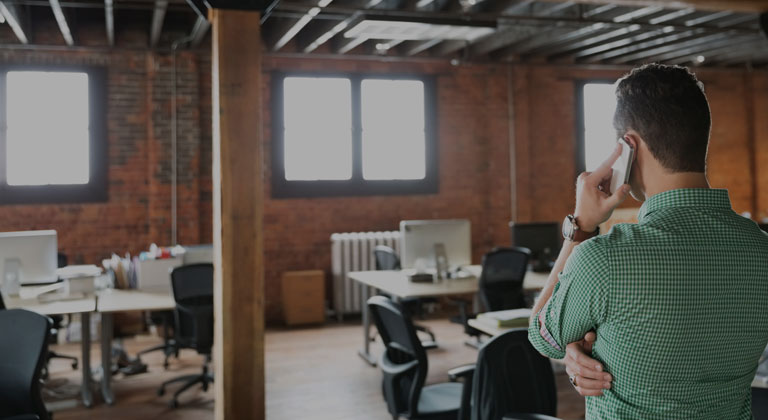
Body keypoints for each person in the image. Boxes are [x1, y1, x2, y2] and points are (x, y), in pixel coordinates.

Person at [527, 63, 768, 419]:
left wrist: (581, 228)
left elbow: (543, 336)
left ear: (628, 147)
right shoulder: (761, 249)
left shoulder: (603, 259)